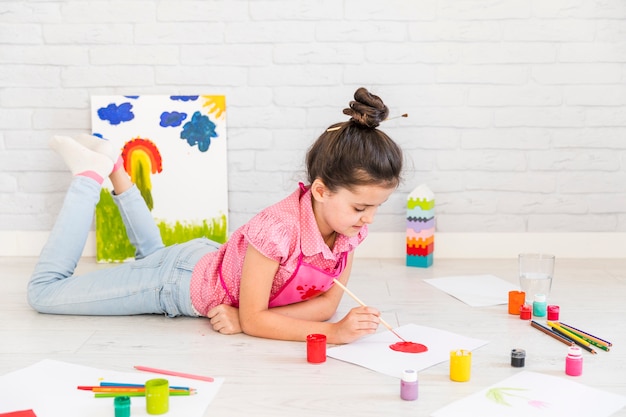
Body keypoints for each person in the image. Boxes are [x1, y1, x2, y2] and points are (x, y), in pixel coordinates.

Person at [27, 87, 404, 344]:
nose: (368, 219)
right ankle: (89, 175)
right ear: (321, 191)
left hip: (206, 262)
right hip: (178, 283)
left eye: (376, 207)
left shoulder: (348, 229)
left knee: (154, 255)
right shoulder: (277, 230)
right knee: (44, 293)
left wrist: (254, 319)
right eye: (361, 207)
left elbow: (326, 304)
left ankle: (115, 169)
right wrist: (332, 334)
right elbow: (259, 320)